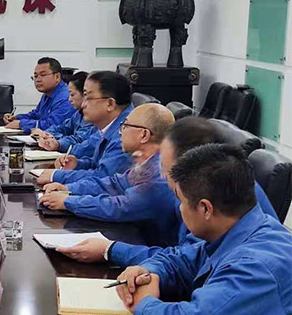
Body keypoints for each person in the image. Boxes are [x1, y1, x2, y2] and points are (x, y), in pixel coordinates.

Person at [115, 144, 292, 315]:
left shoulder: (258, 267)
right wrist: (148, 272)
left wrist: (144, 303)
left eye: (181, 201)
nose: (179, 209)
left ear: (206, 209)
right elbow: (180, 260)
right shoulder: (239, 230)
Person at [56, 116, 279, 265]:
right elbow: (185, 260)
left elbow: (188, 261)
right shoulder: (216, 178)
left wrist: (111, 250)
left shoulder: (206, 192)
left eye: (163, 162)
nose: (161, 171)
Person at [39, 103, 178, 247]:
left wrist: (68, 202)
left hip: (153, 250)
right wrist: (68, 188)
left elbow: (121, 207)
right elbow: (113, 183)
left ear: (144, 135)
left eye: (125, 126)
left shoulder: (160, 174)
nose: (120, 132)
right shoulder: (149, 162)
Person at [37, 71, 133, 186]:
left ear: (110, 104)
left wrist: (56, 176)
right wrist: (78, 164)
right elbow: (97, 164)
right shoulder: (107, 124)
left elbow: (104, 179)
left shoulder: (126, 133)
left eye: (88, 97)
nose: (83, 105)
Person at [2, 57, 75, 133]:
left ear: (57, 77)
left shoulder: (66, 97)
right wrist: (16, 118)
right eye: (36, 76)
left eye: (43, 75)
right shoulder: (47, 94)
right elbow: (36, 115)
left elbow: (53, 125)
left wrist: (21, 123)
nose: (38, 80)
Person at [34, 71, 96, 156]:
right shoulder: (78, 114)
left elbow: (80, 140)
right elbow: (62, 127)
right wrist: (46, 134)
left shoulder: (93, 117)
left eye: (72, 95)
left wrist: (58, 143)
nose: (69, 99)